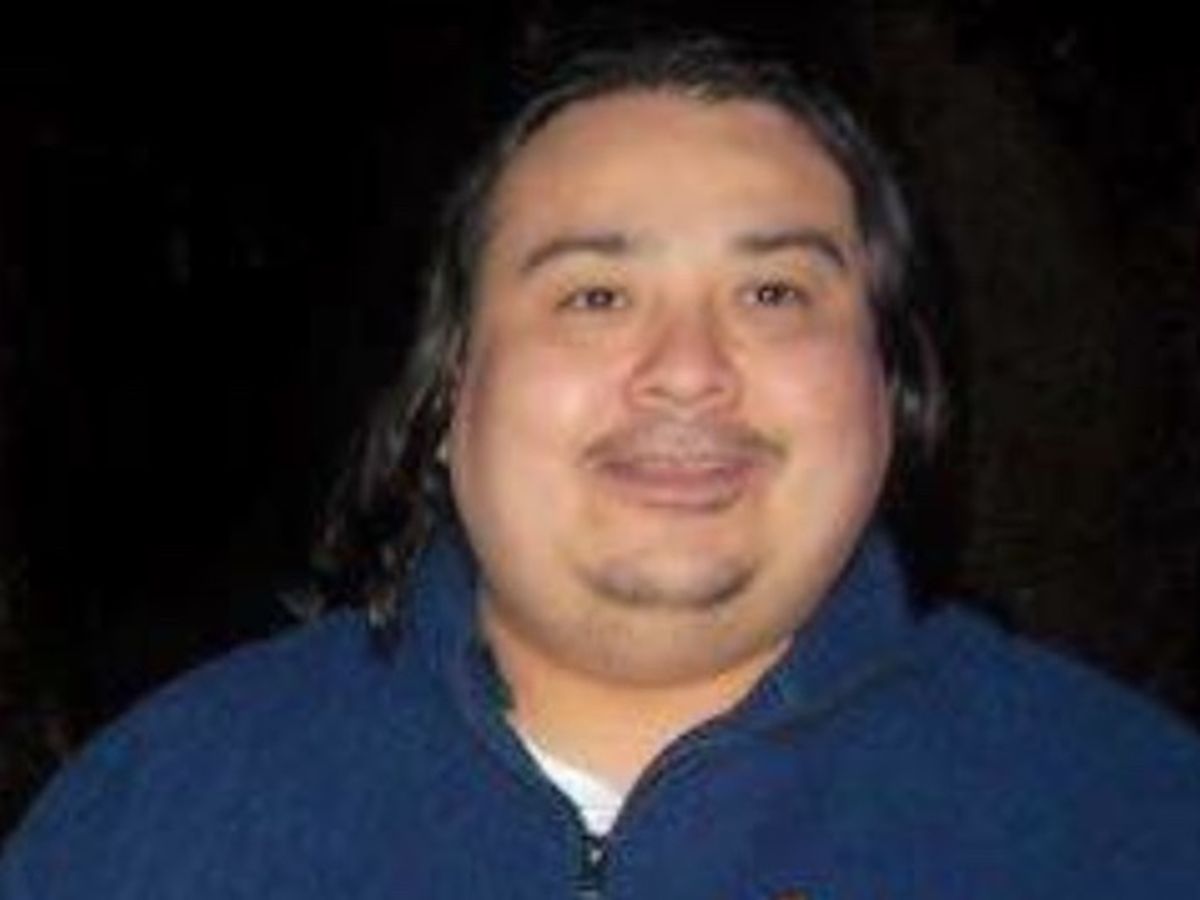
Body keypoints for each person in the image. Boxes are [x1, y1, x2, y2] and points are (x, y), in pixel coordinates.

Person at [2, 36, 1197, 899]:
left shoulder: (1128, 819)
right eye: (595, 295)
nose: (688, 370)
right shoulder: (156, 820)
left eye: (774, 294)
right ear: (447, 392)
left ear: (894, 390)